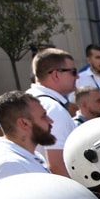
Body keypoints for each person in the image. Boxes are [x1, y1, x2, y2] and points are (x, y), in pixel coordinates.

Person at [0, 91, 52, 189]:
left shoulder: (26, 157)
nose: (50, 121)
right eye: (43, 116)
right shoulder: (8, 165)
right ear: (24, 123)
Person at [28, 48, 78, 176]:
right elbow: (57, 166)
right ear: (56, 74)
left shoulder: (29, 99)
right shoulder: (52, 108)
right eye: (73, 72)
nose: (77, 76)